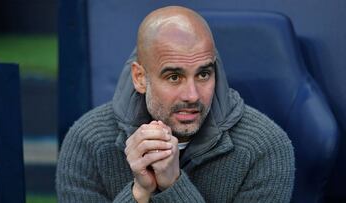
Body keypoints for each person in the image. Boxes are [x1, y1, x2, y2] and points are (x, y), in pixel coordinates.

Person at [56, 6, 295, 203]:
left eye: (203, 75)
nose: (192, 95)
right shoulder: (87, 142)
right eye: (174, 77)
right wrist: (139, 193)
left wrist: (173, 185)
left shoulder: (265, 148)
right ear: (140, 78)